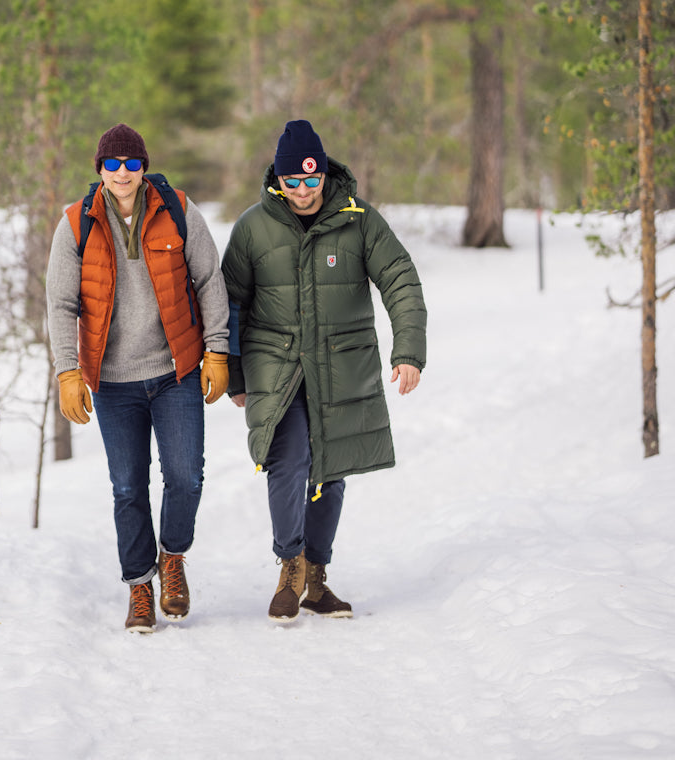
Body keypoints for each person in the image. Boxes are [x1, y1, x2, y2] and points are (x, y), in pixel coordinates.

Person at [221, 119, 426, 623]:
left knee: (331, 471)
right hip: (278, 366)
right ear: (278, 179)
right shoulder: (253, 227)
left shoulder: (359, 219)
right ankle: (289, 565)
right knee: (289, 460)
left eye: (311, 180)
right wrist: (236, 376)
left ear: (324, 174)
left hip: (341, 366)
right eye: (292, 181)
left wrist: (408, 350)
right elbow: (229, 303)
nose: (303, 191)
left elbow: (400, 279)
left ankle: (316, 576)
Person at [46, 123, 229, 633]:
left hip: (175, 371)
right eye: (113, 164)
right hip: (113, 381)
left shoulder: (178, 210)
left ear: (144, 167)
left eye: (131, 163)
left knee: (186, 477)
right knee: (128, 487)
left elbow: (210, 281)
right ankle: (139, 586)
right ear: (100, 169)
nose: (122, 173)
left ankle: (172, 558)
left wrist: (217, 350)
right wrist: (67, 370)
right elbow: (60, 304)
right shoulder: (76, 224)